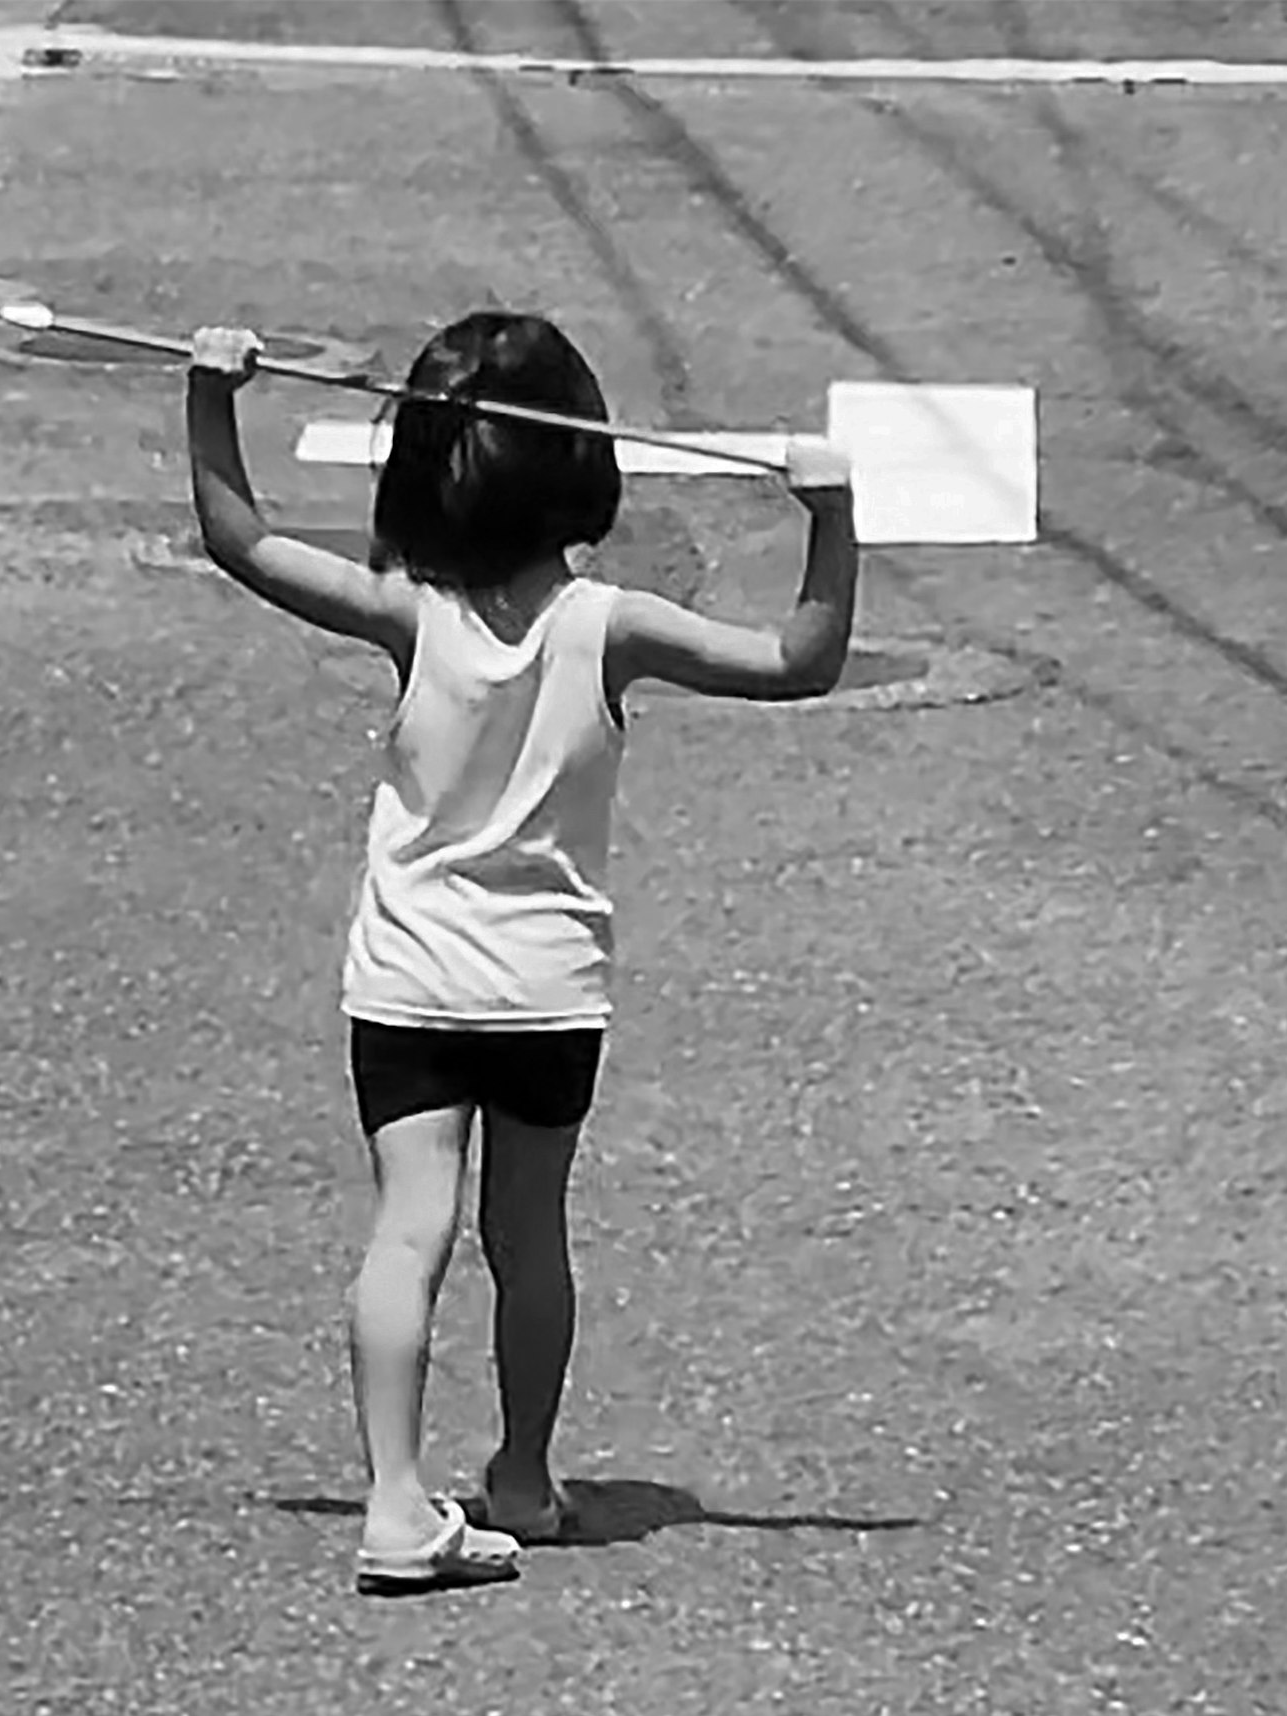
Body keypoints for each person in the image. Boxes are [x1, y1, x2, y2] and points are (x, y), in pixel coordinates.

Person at [185, 311, 858, 1593]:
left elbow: (241, 536)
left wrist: (213, 396)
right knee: (529, 1233)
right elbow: (800, 661)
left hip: (409, 979)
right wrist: (829, 513)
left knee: (407, 1229)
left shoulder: (405, 613)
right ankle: (520, 1478)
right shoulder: (609, 626)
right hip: (545, 991)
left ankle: (392, 1501)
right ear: (580, 471)